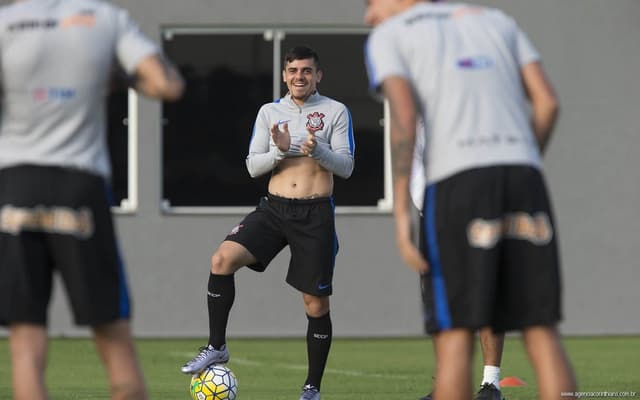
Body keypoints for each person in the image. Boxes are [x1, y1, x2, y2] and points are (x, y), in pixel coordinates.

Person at [364, 1, 577, 400]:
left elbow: (404, 122)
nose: (367, 16)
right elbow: (548, 103)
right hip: (523, 175)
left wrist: (399, 218)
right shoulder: (497, 21)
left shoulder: (389, 36)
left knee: (454, 337)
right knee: (541, 332)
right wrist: (524, 162)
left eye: (370, 4)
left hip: (455, 182)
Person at [0, 1, 184, 399]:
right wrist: (120, 78)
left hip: (15, 186)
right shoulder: (105, 19)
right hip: (77, 185)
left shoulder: (5, 22)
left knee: (26, 345)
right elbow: (168, 85)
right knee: (114, 338)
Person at [181, 45, 355, 400]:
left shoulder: (335, 111)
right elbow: (252, 166)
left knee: (315, 305)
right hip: (274, 209)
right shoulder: (270, 112)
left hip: (315, 214)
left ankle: (311, 388)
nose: (299, 77)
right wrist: (279, 149)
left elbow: (347, 167)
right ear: (284, 75)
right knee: (222, 260)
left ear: (318, 75)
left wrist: (315, 150)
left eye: (306, 71)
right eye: (292, 70)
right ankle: (217, 346)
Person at [412, 124, 507, 400]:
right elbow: (414, 163)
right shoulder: (422, 118)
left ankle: (491, 384)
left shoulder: (484, 115)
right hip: (434, 219)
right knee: (441, 302)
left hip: (480, 217)